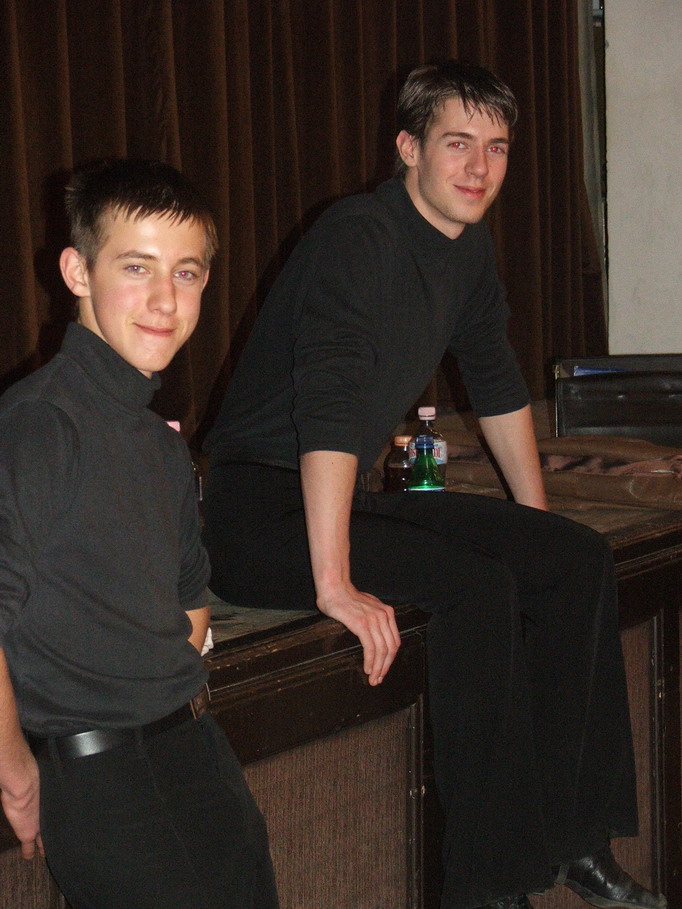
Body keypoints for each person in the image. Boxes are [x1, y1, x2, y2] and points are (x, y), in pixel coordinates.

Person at [201, 60, 667, 909]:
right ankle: (487, 886)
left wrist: (538, 529)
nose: (479, 167)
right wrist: (334, 581)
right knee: (474, 587)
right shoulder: (359, 237)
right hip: (255, 510)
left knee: (576, 558)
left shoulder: (467, 248)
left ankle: (576, 838)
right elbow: (330, 409)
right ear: (409, 148)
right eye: (458, 143)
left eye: (497, 148)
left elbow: (494, 379)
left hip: (341, 492)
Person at [0, 159, 279, 909]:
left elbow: (190, 607)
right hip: (105, 780)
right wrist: (16, 769)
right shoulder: (38, 423)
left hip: (196, 754)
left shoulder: (157, 443)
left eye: (186, 273)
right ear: (77, 272)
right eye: (137, 267)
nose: (165, 299)